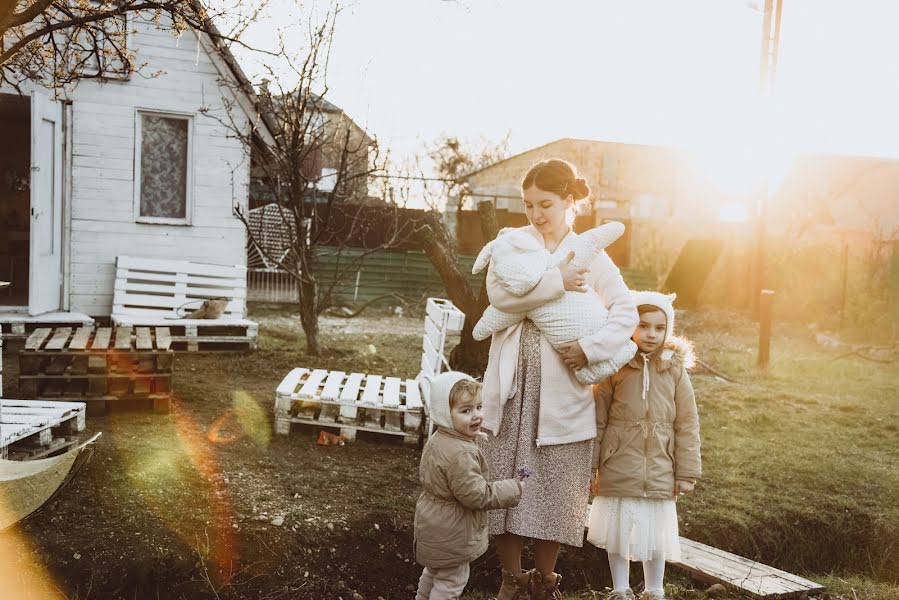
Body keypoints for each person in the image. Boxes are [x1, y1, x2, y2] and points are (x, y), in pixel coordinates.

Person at [478, 158, 639, 600]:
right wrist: (557, 281)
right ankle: (511, 578)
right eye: (528, 204)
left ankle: (546, 581)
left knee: (552, 482)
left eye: (545, 204)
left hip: (563, 389)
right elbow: (499, 297)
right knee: (506, 476)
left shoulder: (593, 256)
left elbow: (626, 312)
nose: (535, 214)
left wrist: (590, 349)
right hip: (512, 385)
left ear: (570, 201)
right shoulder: (511, 244)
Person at [586, 291, 702, 600]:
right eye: (643, 325)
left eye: (659, 328)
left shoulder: (674, 370)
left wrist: (686, 472)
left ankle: (654, 590)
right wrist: (592, 466)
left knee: (655, 533)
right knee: (619, 531)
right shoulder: (616, 366)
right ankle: (621, 590)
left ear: (668, 330)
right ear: (630, 326)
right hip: (618, 462)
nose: (651, 334)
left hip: (660, 465)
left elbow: (687, 423)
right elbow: (598, 419)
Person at [414, 371, 525, 600]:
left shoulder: (439, 439)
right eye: (466, 411)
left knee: (433, 573)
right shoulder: (460, 453)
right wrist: (514, 488)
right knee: (450, 583)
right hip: (453, 532)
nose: (476, 416)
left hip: (433, 524)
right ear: (446, 414)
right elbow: (477, 495)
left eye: (479, 407)